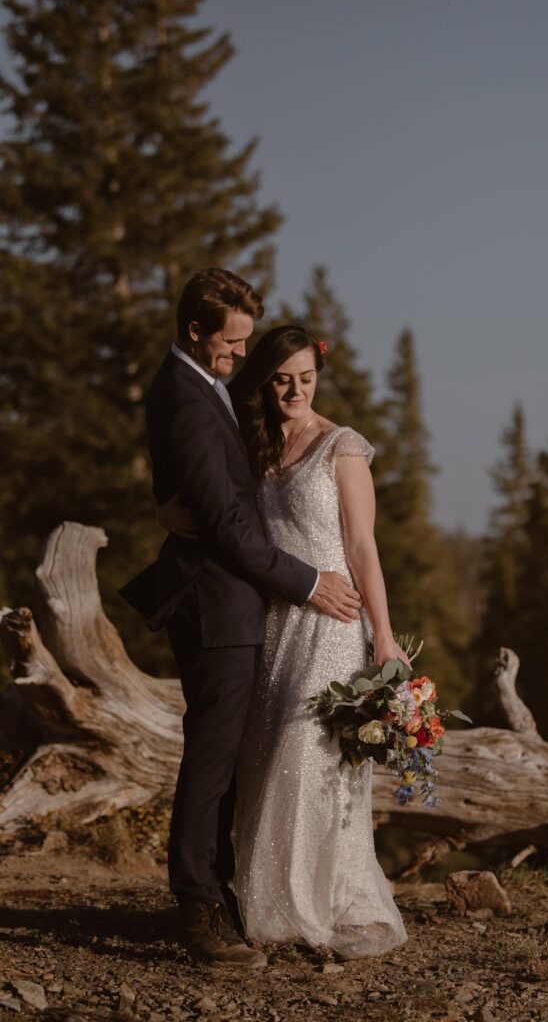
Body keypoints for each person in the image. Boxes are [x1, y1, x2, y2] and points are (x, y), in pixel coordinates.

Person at [119, 269, 362, 967]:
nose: (238, 354)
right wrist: (309, 580)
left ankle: (220, 894)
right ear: (194, 330)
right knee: (213, 757)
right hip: (215, 601)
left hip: (232, 599)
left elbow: (208, 493)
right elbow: (225, 524)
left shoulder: (202, 387)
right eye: (231, 342)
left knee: (226, 754)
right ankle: (197, 908)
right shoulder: (190, 400)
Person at [160, 324, 408, 959]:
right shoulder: (257, 446)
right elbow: (220, 508)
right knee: (265, 758)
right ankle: (265, 901)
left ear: (319, 376)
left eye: (307, 377)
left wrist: (384, 637)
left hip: (332, 622)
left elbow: (362, 548)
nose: (295, 390)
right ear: (265, 382)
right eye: (281, 378)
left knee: (311, 750)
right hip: (274, 621)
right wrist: (167, 507)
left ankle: (321, 902)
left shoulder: (341, 447)